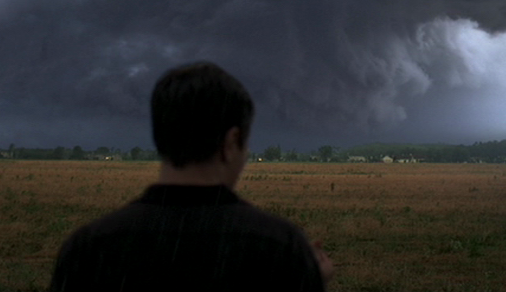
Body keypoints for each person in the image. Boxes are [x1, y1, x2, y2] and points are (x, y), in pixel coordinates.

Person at [49, 61, 333, 292]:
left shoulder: (90, 248)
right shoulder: (279, 248)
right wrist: (307, 276)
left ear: (160, 136)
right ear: (231, 143)